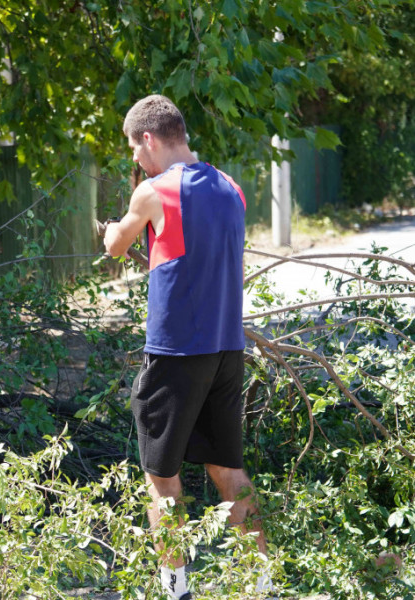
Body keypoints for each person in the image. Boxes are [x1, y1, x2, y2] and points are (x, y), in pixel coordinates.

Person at [100, 95, 272, 600]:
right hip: (226, 350)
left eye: (135, 147)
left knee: (161, 477)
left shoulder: (153, 191)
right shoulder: (231, 188)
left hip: (175, 355)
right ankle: (262, 586)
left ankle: (176, 592)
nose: (135, 157)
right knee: (228, 470)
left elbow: (116, 245)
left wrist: (108, 228)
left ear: (149, 139)